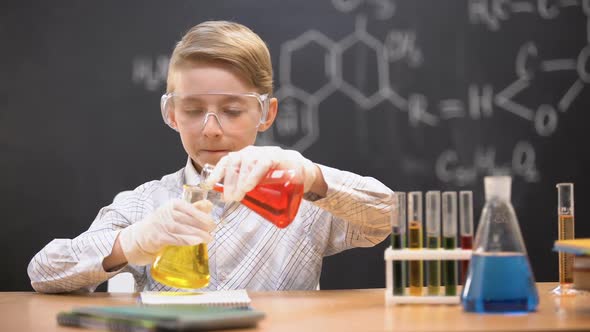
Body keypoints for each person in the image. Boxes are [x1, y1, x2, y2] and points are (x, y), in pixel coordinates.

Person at [27, 20, 394, 293]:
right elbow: (44, 272)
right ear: (171, 114)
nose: (211, 129)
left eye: (233, 110)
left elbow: (386, 216)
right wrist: (134, 240)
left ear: (267, 113)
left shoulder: (300, 197)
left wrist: (311, 176)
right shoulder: (147, 205)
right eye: (192, 110)